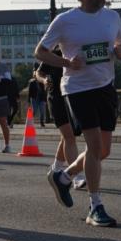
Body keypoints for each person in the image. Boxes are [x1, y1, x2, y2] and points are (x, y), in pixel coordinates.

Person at [36, 0, 121, 227]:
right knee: (95, 146)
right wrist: (67, 63)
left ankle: (64, 177)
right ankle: (95, 206)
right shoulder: (65, 21)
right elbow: (40, 51)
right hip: (78, 89)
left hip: (106, 86)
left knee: (103, 150)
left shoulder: (112, 17)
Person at [36, 52, 84, 191]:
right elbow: (38, 73)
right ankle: (76, 177)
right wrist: (44, 80)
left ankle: (55, 169)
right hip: (56, 98)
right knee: (69, 137)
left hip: (73, 97)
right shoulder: (54, 53)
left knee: (67, 137)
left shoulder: (77, 50)